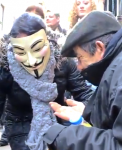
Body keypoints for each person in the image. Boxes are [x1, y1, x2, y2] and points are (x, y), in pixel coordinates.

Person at [43, 11, 122, 150]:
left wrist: (65, 137)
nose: (79, 67)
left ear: (99, 47)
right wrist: (88, 113)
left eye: (80, 58)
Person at [0, 13, 92, 150]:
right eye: (21, 52)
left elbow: (84, 93)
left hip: (57, 121)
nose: (31, 61)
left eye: (37, 49)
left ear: (48, 41)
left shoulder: (63, 63)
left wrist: (87, 110)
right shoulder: (6, 68)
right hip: (20, 126)